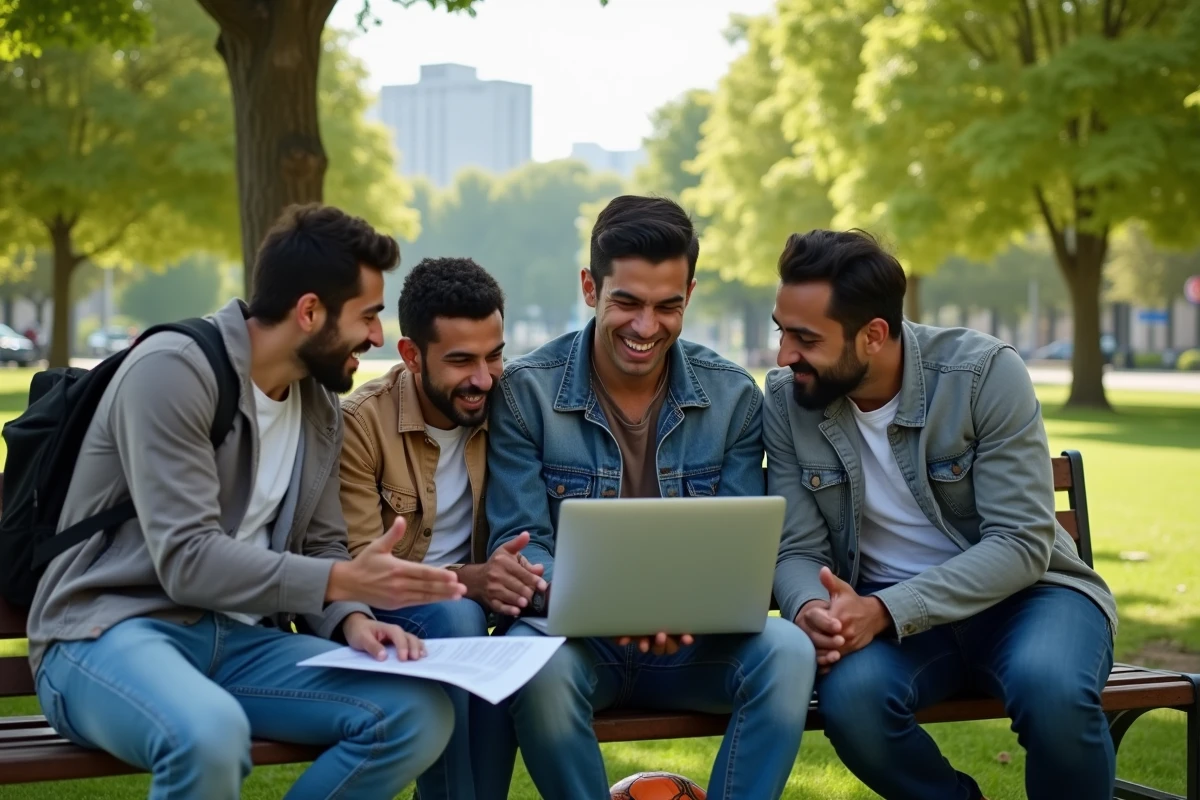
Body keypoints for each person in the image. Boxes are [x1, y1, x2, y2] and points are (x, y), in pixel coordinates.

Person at [26, 203, 469, 800]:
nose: (376, 336)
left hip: (236, 643)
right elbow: (187, 560)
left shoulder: (318, 406)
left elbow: (320, 542)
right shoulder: (173, 371)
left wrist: (353, 618)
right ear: (310, 311)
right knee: (209, 735)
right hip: (107, 631)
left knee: (416, 714)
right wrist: (341, 580)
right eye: (367, 316)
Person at [765, 229, 1118, 800]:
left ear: (874, 335)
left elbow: (1022, 543)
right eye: (782, 332)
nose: (784, 356)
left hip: (1031, 599)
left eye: (805, 338)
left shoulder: (981, 373)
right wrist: (811, 607)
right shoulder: (788, 399)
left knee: (1052, 690)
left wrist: (883, 610)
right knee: (854, 703)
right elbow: (796, 549)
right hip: (894, 622)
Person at [485, 195, 817, 800]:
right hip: (575, 647)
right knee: (536, 670)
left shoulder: (732, 397)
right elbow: (523, 549)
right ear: (590, 287)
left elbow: (736, 553)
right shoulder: (524, 394)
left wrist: (681, 607)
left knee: (789, 652)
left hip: (692, 648)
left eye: (668, 306)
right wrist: (620, 608)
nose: (646, 327)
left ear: (689, 294)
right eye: (627, 303)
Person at [339, 256, 526, 800]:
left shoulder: (512, 406)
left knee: (503, 638)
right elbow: (357, 566)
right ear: (411, 355)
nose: (483, 378)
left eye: (495, 356)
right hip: (389, 617)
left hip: (482, 610)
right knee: (457, 615)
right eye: (461, 361)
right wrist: (468, 580)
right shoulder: (361, 424)